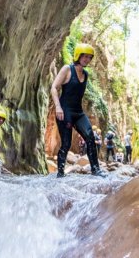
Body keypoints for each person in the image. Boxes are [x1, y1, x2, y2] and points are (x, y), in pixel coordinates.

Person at [50, 43, 106, 178]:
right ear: (78, 56)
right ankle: (60, 173)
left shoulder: (85, 75)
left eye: (89, 57)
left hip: (78, 112)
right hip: (65, 111)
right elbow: (54, 87)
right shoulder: (67, 69)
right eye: (84, 56)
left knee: (90, 137)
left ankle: (96, 170)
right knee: (66, 143)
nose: (87, 59)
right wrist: (58, 107)